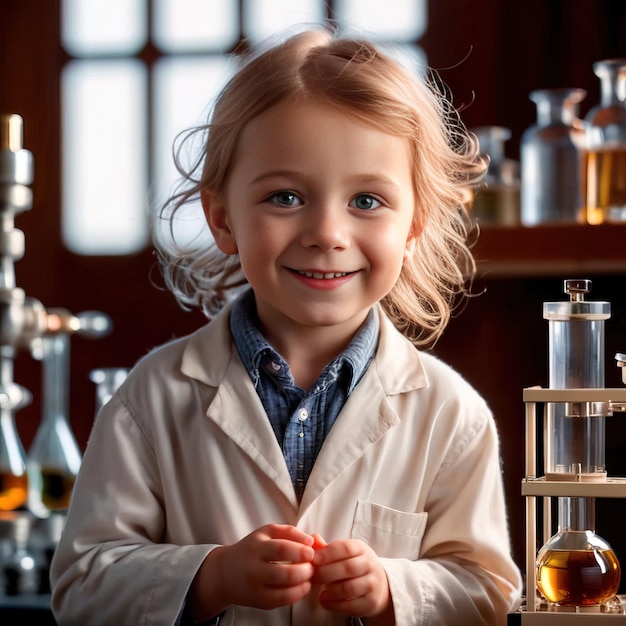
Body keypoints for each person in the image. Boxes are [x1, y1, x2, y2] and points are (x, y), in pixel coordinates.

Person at [50, 27, 522, 626]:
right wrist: (210, 576)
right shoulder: (151, 398)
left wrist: (391, 591)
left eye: (367, 201)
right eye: (284, 198)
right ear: (222, 219)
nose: (327, 233)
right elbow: (83, 587)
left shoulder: (452, 414)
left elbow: (484, 590)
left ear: (413, 226)